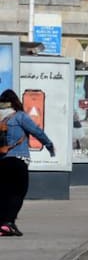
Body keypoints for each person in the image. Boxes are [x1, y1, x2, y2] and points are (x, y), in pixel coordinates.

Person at [0, 89, 55, 237]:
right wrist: (49, 145)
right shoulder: (19, 117)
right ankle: (8, 223)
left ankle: (2, 223)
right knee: (18, 192)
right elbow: (37, 132)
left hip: (2, 161)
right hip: (18, 160)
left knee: (4, 193)